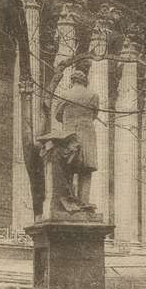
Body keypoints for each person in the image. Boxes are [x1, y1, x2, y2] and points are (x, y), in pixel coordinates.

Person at [54, 69, 100, 204]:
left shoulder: (65, 94)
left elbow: (57, 115)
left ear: (72, 81)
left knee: (68, 168)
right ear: (84, 81)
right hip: (87, 135)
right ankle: (84, 202)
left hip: (69, 135)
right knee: (86, 169)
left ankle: (69, 200)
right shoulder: (93, 95)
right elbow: (94, 114)